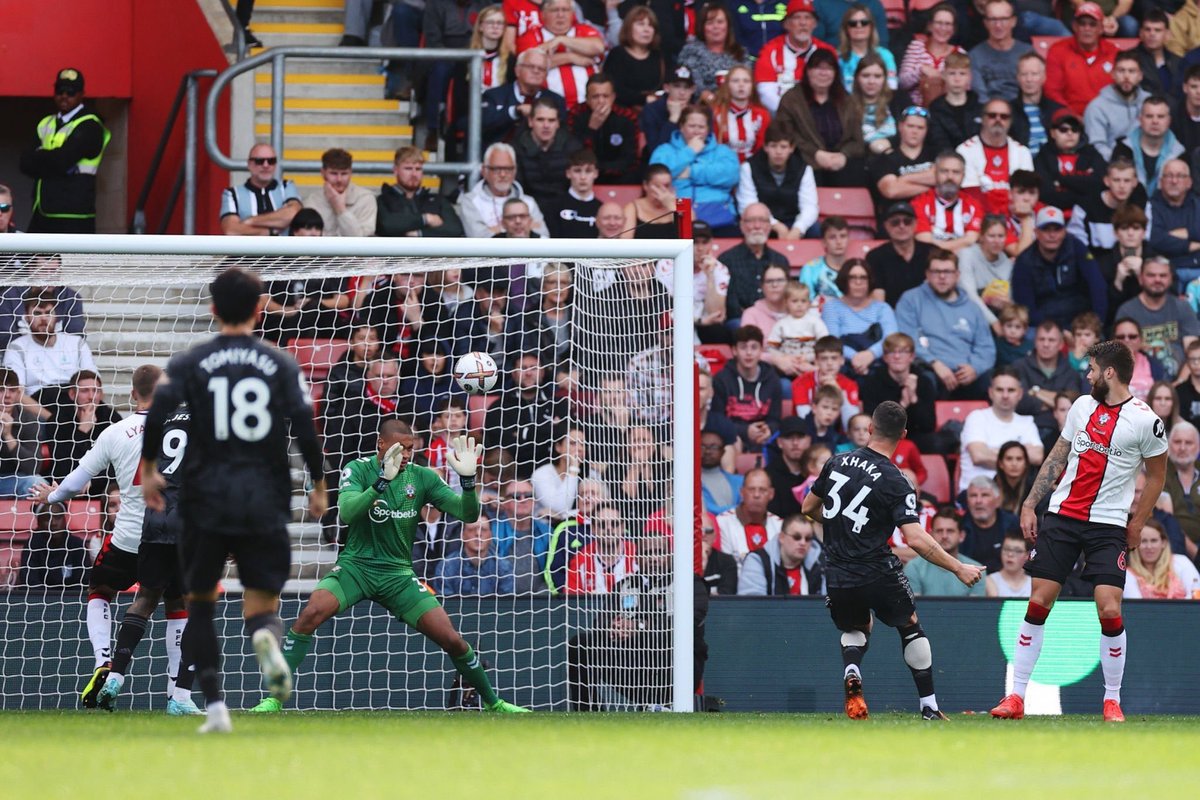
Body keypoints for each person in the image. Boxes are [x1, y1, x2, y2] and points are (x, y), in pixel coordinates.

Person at [138, 268, 328, 734]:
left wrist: (147, 468)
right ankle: (265, 636)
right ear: (260, 310)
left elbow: (156, 413)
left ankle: (216, 708)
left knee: (199, 603)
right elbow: (304, 425)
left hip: (204, 500)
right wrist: (319, 484)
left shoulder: (189, 363)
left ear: (213, 309)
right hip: (263, 498)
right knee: (262, 604)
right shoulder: (281, 363)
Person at [260, 417, 526, 711]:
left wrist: (467, 482)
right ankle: (274, 698)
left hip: (398, 574)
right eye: (401, 448)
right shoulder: (358, 469)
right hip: (356, 567)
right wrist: (381, 482)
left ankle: (494, 702)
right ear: (381, 444)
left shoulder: (421, 477)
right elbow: (347, 513)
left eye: (411, 449)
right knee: (310, 614)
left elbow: (467, 514)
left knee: (452, 640)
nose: (407, 455)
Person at [991, 340, 1168, 723]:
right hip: (1063, 516)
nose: (1086, 375)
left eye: (1091, 369)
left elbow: (1156, 477)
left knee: (1109, 607)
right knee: (1039, 601)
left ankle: (1111, 700)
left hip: (1108, 524)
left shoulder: (1145, 419)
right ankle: (1016, 696)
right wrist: (1028, 503)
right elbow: (1058, 454)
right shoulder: (1081, 406)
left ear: (1109, 372)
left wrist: (1136, 522)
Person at [802, 401, 985, 720]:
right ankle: (929, 707)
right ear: (903, 434)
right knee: (909, 625)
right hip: (878, 570)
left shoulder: (836, 462)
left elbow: (808, 507)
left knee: (857, 626)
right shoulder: (896, 481)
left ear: (870, 428)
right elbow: (915, 538)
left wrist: (837, 524)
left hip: (838, 571)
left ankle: (852, 669)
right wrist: (958, 567)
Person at [29, 366, 168, 709]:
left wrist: (51, 496)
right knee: (178, 605)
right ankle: (178, 697)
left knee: (100, 589)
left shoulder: (114, 431)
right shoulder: (182, 429)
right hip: (170, 534)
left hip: (128, 535)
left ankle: (103, 660)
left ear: (133, 395)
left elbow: (76, 481)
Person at [90, 398, 200, 714]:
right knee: (197, 606)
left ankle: (116, 676)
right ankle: (180, 696)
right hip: (189, 523)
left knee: (146, 599)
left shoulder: (159, 421)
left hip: (154, 520)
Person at [18, 69, 110, 234]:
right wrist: (53, 159)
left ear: (82, 94)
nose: (64, 96)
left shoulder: (90, 124)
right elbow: (24, 163)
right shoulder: (46, 123)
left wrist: (41, 157)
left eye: (71, 92)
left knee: (73, 261)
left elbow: (62, 160)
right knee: (29, 258)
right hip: (43, 210)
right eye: (60, 91)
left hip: (74, 215)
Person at [895, 249, 996, 399]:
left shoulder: (972, 307)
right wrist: (934, 363)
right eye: (936, 272)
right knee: (923, 381)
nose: (942, 277)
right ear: (927, 274)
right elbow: (907, 339)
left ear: (957, 275)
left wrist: (974, 368)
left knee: (996, 384)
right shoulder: (911, 299)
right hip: (928, 369)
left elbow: (986, 347)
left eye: (947, 272)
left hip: (966, 373)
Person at [775, 48, 867, 187]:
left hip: (841, 163)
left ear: (835, 73)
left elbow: (857, 141)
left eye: (829, 68)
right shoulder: (791, 99)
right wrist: (816, 154)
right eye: (818, 68)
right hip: (805, 161)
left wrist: (843, 155)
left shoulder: (847, 100)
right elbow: (785, 134)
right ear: (808, 71)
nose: (823, 73)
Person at [1011, 206, 1108, 331]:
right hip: (1043, 327)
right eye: (1046, 229)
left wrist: (1097, 323)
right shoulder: (1025, 261)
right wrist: (1057, 332)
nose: (1052, 235)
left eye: (1057, 229)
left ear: (1064, 231)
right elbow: (1025, 306)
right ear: (1036, 232)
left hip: (1079, 322)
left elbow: (1097, 285)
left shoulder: (1076, 248)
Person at [649, 104, 740, 232]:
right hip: (677, 211)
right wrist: (689, 151)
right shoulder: (664, 151)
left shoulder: (722, 151)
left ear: (708, 129)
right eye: (691, 126)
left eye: (701, 127)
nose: (696, 131)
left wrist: (692, 172)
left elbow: (731, 176)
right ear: (681, 127)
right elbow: (656, 176)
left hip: (717, 212)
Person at [4, 287, 98, 405]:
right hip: (37, 408)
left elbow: (94, 386)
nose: (43, 318)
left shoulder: (77, 343)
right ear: (27, 317)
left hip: (74, 404)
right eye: (37, 313)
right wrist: (50, 418)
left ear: (56, 316)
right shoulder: (17, 348)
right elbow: (17, 394)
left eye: (48, 313)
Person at [485, 351, 567, 480]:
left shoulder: (560, 404)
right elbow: (504, 449)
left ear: (543, 372)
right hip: (512, 479)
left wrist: (523, 433)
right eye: (523, 368)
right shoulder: (498, 408)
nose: (528, 373)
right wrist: (547, 432)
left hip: (555, 476)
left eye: (534, 368)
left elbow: (564, 442)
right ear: (513, 373)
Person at [959, 367, 1045, 491]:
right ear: (990, 392)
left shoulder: (1027, 422)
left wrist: (993, 451)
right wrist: (1020, 456)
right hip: (976, 494)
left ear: (1020, 394)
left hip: (1014, 496)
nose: (1005, 395)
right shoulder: (976, 417)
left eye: (1011, 390)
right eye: (999, 390)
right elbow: (979, 456)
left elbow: (1037, 457)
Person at [1115, 256, 1200, 379]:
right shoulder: (1127, 311)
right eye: (1151, 275)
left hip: (1180, 381)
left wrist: (1180, 384)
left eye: (1163, 275)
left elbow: (1193, 353)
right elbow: (1122, 356)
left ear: (1171, 279)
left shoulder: (1183, 308)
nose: (1157, 279)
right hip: (1139, 382)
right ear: (1141, 279)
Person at [515, 0, 605, 109]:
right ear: (542, 14)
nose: (560, 15)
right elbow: (530, 66)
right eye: (554, 10)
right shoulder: (530, 36)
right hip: (547, 109)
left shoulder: (584, 30)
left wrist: (561, 39)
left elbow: (598, 47)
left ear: (573, 13)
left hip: (587, 107)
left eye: (565, 10)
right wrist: (570, 57)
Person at [736, 123, 818, 240]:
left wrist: (798, 229)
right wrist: (776, 225)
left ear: (791, 148)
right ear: (765, 147)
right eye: (773, 146)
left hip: (793, 221)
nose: (778, 152)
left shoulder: (803, 169)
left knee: (815, 230)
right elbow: (747, 205)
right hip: (760, 222)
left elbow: (810, 206)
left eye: (783, 147)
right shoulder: (749, 167)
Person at [754, 0, 838, 114]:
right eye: (797, 17)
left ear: (814, 24)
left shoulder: (827, 51)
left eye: (807, 18)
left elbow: (836, 88)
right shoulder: (770, 51)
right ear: (786, 24)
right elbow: (765, 93)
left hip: (819, 114)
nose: (802, 23)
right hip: (782, 115)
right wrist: (794, 113)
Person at [1013, 321, 1089, 445]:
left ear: (1060, 344)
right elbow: (1020, 402)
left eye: (1051, 340)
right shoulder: (1019, 367)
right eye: (1041, 339)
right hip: (1025, 432)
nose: (1046, 344)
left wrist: (1035, 391)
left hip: (1060, 432)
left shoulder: (1070, 371)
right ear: (1035, 342)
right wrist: (1059, 400)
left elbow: (1071, 401)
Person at [860, 332, 938, 452]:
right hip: (884, 438)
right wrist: (902, 404)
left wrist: (913, 399)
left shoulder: (924, 381)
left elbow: (928, 425)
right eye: (891, 352)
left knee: (932, 442)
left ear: (912, 357)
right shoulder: (873, 382)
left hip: (916, 437)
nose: (897, 356)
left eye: (902, 352)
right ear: (885, 357)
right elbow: (873, 423)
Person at [957, 98, 1035, 217]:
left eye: (1004, 117)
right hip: (979, 217)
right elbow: (971, 195)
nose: (998, 120)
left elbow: (1026, 195)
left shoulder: (1022, 152)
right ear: (982, 119)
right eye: (992, 115)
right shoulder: (965, 150)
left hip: (1015, 217)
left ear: (1010, 121)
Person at [820, 259, 897, 377]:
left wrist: (870, 355)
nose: (858, 282)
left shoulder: (883, 308)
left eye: (863, 278)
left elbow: (891, 339)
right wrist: (855, 357)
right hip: (842, 365)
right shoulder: (831, 307)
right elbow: (832, 342)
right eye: (852, 278)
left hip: (878, 363)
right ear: (844, 280)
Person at [45, 369, 121, 485]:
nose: (91, 396)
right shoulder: (57, 420)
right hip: (67, 483)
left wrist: (92, 481)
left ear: (101, 394)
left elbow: (118, 464)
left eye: (95, 391)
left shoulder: (112, 418)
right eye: (85, 391)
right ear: (72, 394)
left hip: (103, 485)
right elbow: (63, 466)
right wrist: (82, 431)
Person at [711, 326, 782, 449]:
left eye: (754, 347)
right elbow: (717, 419)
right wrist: (745, 431)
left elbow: (775, 419)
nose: (749, 353)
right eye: (743, 347)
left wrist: (768, 429)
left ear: (761, 351)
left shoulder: (772, 379)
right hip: (731, 437)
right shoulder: (721, 379)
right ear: (734, 351)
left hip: (763, 438)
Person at [1044, 3, 1121, 117]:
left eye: (1092, 24)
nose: (1087, 29)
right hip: (1069, 120)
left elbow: (1120, 91)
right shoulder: (1058, 51)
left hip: (1106, 118)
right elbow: (1052, 92)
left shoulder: (1113, 52)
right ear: (1074, 26)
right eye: (1082, 23)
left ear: (1101, 28)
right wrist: (1072, 116)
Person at [458, 143, 549, 238]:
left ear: (515, 171)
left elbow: (543, 237)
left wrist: (496, 229)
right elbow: (478, 238)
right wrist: (523, 228)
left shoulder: (529, 202)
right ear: (484, 171)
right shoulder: (470, 202)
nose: (502, 174)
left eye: (508, 169)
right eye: (497, 169)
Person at [480, 48, 568, 146]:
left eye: (541, 68)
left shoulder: (556, 100)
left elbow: (561, 136)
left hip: (540, 157)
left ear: (546, 75)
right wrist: (514, 111)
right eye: (531, 66)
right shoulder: (494, 95)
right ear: (517, 70)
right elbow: (477, 124)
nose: (536, 71)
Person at [867, 105, 937, 223]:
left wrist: (903, 179)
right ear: (900, 127)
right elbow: (891, 190)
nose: (914, 131)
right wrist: (933, 187)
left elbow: (943, 178)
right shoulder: (884, 159)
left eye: (920, 128)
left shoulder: (936, 154)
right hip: (896, 220)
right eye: (910, 126)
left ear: (926, 130)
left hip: (932, 219)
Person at [376, 146, 464, 238]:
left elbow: (455, 229)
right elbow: (387, 225)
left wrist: (418, 234)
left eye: (418, 169)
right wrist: (425, 219)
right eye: (408, 168)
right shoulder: (383, 200)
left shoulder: (438, 200)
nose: (414, 174)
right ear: (395, 170)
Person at [722, 204, 791, 322]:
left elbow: (786, 296)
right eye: (751, 221)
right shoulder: (727, 260)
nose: (757, 226)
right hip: (741, 320)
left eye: (762, 221)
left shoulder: (780, 260)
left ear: (769, 226)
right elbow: (730, 305)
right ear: (742, 226)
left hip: (777, 318)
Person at [1033, 108, 1107, 218]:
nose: (1070, 133)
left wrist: (1060, 180)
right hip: (1051, 217)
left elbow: (1098, 186)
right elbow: (1046, 193)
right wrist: (1080, 188)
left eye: (1075, 129)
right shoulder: (1043, 156)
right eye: (1063, 129)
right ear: (1052, 133)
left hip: (1088, 215)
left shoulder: (1092, 154)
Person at [568, 74, 640, 185]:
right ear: (587, 99)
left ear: (613, 97)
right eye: (595, 97)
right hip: (584, 178)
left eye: (605, 96)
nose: (601, 101)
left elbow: (630, 160)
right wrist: (591, 129)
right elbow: (574, 155)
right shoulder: (576, 114)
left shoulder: (627, 116)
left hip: (619, 177)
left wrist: (599, 169)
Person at [218, 144, 302, 236]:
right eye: (259, 161)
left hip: (283, 250)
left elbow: (294, 214)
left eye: (271, 161)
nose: (266, 165)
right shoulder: (232, 194)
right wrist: (269, 232)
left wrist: (250, 220)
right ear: (249, 164)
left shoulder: (287, 186)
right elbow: (232, 230)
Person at [1110, 96, 1184, 197]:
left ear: (1169, 120)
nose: (1155, 121)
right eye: (1149, 116)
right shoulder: (1122, 150)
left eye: (1160, 116)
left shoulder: (1180, 154)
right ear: (1140, 119)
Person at [1067, 158, 1140, 261]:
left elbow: (1145, 244)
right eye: (1116, 180)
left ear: (1135, 183)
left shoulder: (1142, 205)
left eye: (1127, 181)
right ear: (1107, 181)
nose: (1122, 186)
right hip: (1094, 267)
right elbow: (1078, 249)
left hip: (1132, 264)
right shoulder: (1085, 207)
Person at [904, 508, 988, 596]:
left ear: (962, 536)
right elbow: (915, 607)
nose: (944, 536)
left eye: (950, 531)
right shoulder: (914, 567)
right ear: (930, 535)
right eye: (939, 531)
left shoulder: (975, 570)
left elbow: (975, 609)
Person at [514, 99, 581, 208]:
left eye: (551, 120)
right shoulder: (516, 149)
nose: (546, 125)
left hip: (565, 209)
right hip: (529, 209)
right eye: (540, 120)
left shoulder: (572, 148)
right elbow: (517, 190)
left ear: (558, 123)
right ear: (530, 122)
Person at [676, 3, 747, 104]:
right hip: (704, 106)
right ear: (702, 27)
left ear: (728, 26)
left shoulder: (741, 52)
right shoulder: (691, 51)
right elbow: (696, 87)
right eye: (710, 23)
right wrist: (716, 103)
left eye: (720, 22)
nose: (715, 27)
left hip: (739, 103)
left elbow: (748, 82)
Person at [1083, 53, 1149, 161]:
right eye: (1121, 71)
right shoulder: (1097, 107)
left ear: (1140, 76)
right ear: (1113, 74)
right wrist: (1119, 163)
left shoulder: (1149, 103)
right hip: (1112, 167)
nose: (1126, 76)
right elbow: (1096, 145)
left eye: (1132, 71)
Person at [913, 151, 982, 253]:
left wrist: (941, 246)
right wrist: (956, 246)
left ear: (963, 176)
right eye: (944, 171)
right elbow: (924, 241)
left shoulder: (974, 205)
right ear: (935, 173)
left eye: (956, 172)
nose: (950, 177)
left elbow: (971, 240)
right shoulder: (919, 203)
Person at [738, 513, 824, 595]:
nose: (803, 543)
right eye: (796, 537)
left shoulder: (819, 565)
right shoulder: (757, 561)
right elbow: (752, 605)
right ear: (781, 537)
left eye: (808, 539)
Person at [898, 3, 966, 106]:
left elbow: (966, 87)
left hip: (947, 111)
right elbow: (902, 83)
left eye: (948, 24)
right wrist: (920, 70)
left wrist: (942, 78)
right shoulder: (917, 47)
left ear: (953, 29)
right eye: (939, 23)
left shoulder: (959, 53)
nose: (943, 28)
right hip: (916, 110)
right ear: (930, 26)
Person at [867, 201, 934, 306]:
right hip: (892, 317)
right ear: (886, 226)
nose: (902, 226)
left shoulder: (932, 252)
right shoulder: (875, 257)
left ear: (915, 224)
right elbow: (878, 300)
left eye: (907, 221)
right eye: (895, 222)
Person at [603, 5, 668, 110]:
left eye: (651, 25)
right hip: (623, 114)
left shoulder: (659, 55)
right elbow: (613, 89)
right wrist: (644, 99)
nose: (646, 30)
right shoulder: (617, 54)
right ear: (629, 27)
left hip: (654, 112)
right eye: (641, 24)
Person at [435, 513, 517, 596]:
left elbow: (506, 604)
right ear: (462, 535)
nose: (478, 534)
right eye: (472, 529)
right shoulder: (447, 567)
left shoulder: (503, 568)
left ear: (491, 535)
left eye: (484, 529)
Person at [301, 148, 376, 236]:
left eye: (344, 174)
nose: (339, 179)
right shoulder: (312, 202)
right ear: (323, 173)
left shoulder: (365, 199)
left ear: (351, 173)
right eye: (333, 173)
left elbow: (358, 242)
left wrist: (341, 210)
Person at [957, 214, 1013, 333]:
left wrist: (1006, 303)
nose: (997, 241)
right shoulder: (967, 255)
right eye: (991, 236)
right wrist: (993, 321)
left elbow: (1011, 299)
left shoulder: (1007, 264)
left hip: (998, 313)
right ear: (981, 237)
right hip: (967, 313)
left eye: (1001, 236)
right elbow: (968, 294)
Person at [715, 468, 783, 562]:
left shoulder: (780, 525)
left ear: (771, 494)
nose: (756, 495)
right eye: (751, 489)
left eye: (762, 490)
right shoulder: (722, 522)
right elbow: (726, 565)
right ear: (742, 492)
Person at [18, 501, 89, 589]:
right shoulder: (31, 546)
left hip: (71, 601)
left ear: (64, 519)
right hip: (39, 600)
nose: (53, 523)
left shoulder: (77, 545)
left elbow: (83, 583)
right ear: (38, 522)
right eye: (47, 518)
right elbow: (30, 584)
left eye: (58, 517)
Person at [969, 0, 1031, 102]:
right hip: (988, 113)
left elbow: (1032, 93)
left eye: (1003, 19)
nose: (998, 25)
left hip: (1021, 112)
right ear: (985, 23)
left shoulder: (1028, 53)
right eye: (993, 19)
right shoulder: (975, 56)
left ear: (1013, 21)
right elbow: (980, 97)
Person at [1147, 160, 1200, 279]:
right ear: (1160, 182)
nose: (1174, 181)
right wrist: (1195, 244)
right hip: (1167, 273)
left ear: (1189, 182)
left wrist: (1183, 234)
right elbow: (1156, 240)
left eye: (1180, 176)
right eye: (1169, 175)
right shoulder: (1150, 206)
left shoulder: (1197, 204)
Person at [1125, 518, 1200, 598]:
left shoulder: (1181, 561)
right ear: (1136, 544)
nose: (1149, 547)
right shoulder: (1128, 574)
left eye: (1154, 541)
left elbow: (1195, 596)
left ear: (1163, 543)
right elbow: (1136, 607)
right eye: (1143, 541)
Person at [0, 367, 45, 499]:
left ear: (18, 394)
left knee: (37, 483)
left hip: (12, 480)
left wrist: (8, 436)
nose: (7, 395)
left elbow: (33, 467)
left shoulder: (28, 419)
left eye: (12, 390)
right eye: (1, 390)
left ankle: (49, 519)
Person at [927, 53, 982, 155]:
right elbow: (939, 142)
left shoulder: (980, 107)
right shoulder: (935, 108)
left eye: (962, 74)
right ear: (944, 75)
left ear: (970, 77)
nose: (957, 79)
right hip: (948, 163)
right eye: (952, 73)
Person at [1009, 53, 1062, 157]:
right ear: (1018, 77)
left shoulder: (1057, 111)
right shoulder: (1007, 111)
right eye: (1024, 74)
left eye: (1034, 74)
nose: (1029, 79)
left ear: (1044, 77)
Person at [962, 476, 1020, 572]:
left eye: (984, 495)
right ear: (967, 502)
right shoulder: (959, 526)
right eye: (973, 495)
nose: (978, 501)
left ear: (997, 501)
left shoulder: (1014, 524)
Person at [541, 148, 601, 238]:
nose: (583, 177)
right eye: (577, 171)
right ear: (568, 173)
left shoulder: (601, 209)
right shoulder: (553, 207)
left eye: (588, 171)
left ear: (596, 174)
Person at [639, 65, 697, 158]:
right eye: (677, 86)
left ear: (693, 90)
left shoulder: (699, 111)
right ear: (666, 88)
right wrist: (673, 119)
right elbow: (656, 151)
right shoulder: (652, 110)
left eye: (686, 87)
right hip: (660, 167)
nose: (682, 92)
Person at [837, 3, 897, 93]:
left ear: (871, 27)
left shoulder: (885, 56)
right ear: (846, 29)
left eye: (864, 22)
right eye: (853, 23)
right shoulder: (838, 57)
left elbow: (892, 87)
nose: (859, 26)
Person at [1163, 421, 1200, 548]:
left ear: (1198, 447)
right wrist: (1195, 552)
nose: (1182, 448)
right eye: (1177, 442)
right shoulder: (1159, 473)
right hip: (1172, 545)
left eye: (1188, 443)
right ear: (1168, 445)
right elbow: (1167, 520)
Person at [621, 165, 679, 240]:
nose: (662, 191)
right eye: (657, 186)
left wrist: (672, 207)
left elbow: (689, 239)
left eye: (666, 186)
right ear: (645, 185)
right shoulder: (632, 208)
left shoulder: (681, 206)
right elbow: (625, 241)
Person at [797, 218, 850, 299]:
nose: (839, 242)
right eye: (832, 237)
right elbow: (804, 302)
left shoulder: (855, 269)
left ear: (848, 240)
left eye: (843, 236)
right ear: (823, 242)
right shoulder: (810, 269)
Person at [986, 531, 1032, 596]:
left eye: (1017, 551)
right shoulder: (989, 581)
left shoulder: (1034, 584)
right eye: (1006, 549)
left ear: (1027, 555)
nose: (1010, 554)